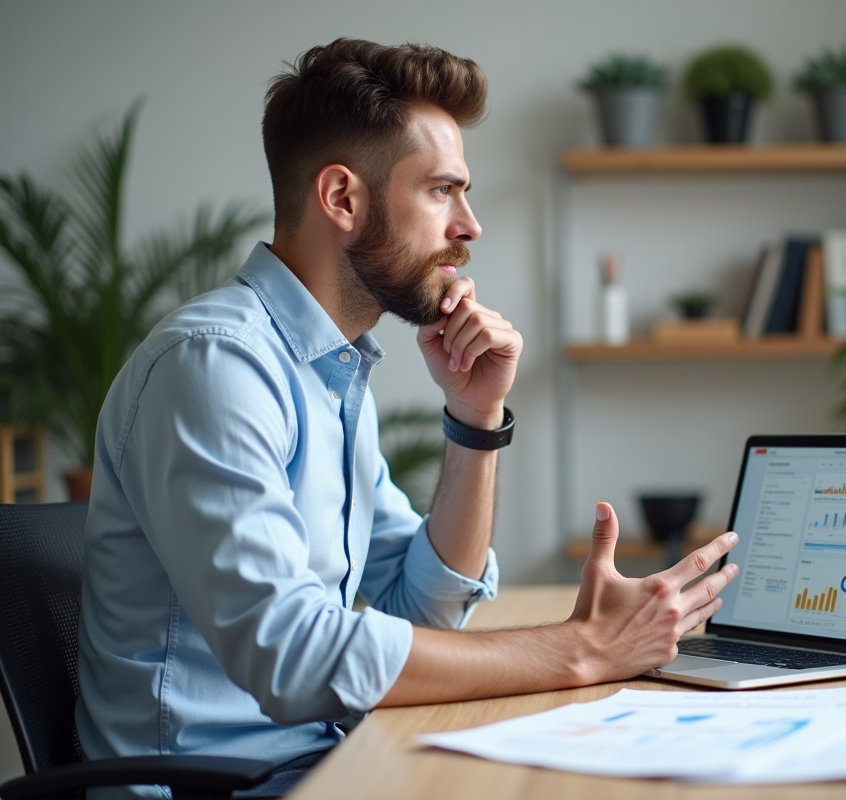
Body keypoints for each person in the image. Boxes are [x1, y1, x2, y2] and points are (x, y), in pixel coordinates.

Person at [75, 38, 739, 797]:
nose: (470, 225)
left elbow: (417, 604)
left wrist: (474, 419)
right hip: (226, 787)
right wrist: (579, 649)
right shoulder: (216, 366)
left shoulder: (328, 369)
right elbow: (292, 656)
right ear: (343, 199)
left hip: (326, 764)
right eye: (442, 191)